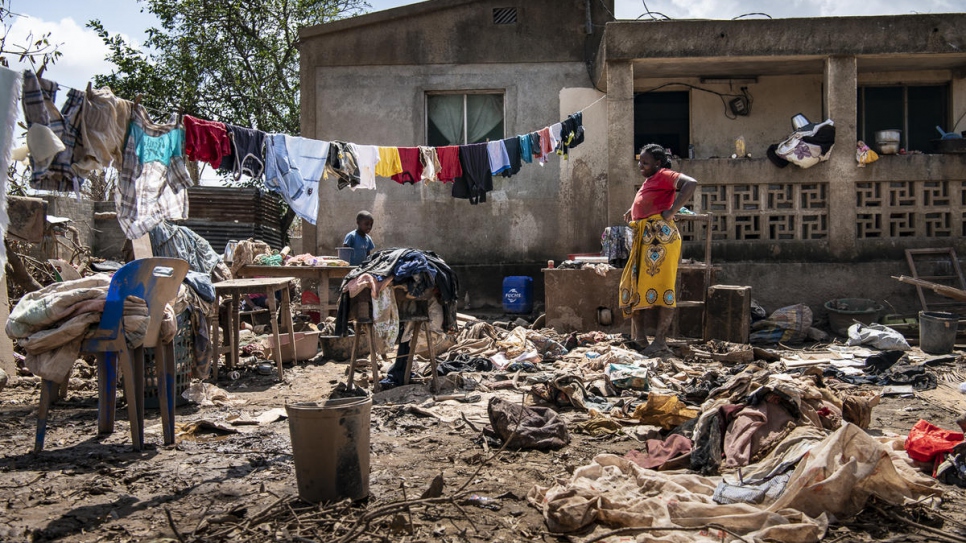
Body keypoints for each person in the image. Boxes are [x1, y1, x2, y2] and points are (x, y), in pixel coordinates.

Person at [619, 144, 697, 355]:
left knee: (663, 288)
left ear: (658, 163)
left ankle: (660, 341)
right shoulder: (651, 179)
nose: (640, 166)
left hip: (660, 239)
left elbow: (691, 183)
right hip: (644, 236)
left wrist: (672, 211)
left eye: (645, 163)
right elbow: (650, 200)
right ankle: (641, 338)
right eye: (640, 162)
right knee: (636, 285)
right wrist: (633, 208)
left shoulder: (664, 174)